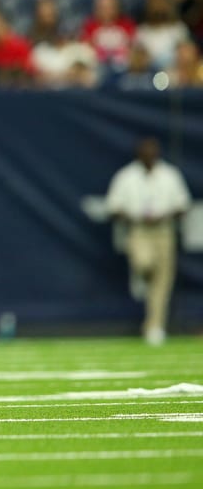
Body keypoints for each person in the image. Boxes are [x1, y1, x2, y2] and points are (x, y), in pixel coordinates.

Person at [105, 138, 192, 346]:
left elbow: (183, 205)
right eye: (146, 152)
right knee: (143, 263)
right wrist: (134, 216)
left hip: (163, 231)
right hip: (139, 230)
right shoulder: (126, 176)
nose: (149, 156)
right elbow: (113, 208)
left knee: (162, 284)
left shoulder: (170, 175)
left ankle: (154, 327)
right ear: (138, 154)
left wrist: (165, 215)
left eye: (153, 152)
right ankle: (140, 277)